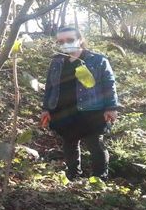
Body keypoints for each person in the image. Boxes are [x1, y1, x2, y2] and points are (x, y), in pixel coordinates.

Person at [41, 26, 119, 181]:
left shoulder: (97, 60)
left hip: (92, 110)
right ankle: (73, 175)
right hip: (63, 110)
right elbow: (50, 85)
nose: (65, 43)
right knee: (69, 143)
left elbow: (109, 84)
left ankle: (100, 178)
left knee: (95, 145)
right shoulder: (57, 61)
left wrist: (111, 107)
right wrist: (46, 108)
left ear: (80, 39)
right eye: (61, 41)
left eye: (70, 39)